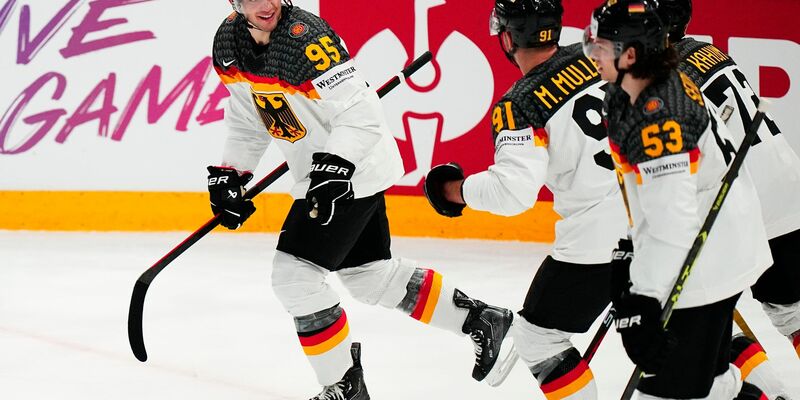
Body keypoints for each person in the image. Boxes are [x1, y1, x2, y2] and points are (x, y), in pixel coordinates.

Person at [208, 1, 514, 399]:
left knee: (295, 276)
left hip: (351, 168)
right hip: (325, 172)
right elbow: (251, 117)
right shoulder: (229, 44)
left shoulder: (308, 41)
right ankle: (478, 317)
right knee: (369, 276)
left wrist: (335, 166)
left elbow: (362, 114)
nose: (265, 5)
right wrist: (233, 171)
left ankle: (343, 385)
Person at [423, 0, 630, 397]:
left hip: (597, 241)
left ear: (507, 38)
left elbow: (511, 193)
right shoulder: (599, 56)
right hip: (663, 214)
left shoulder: (520, 103)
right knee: (693, 324)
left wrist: (453, 190)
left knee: (537, 339)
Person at [583, 0, 774, 398]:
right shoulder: (630, 89)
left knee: (670, 389)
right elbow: (647, 193)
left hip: (707, 257)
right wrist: (633, 248)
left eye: (600, 45)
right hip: (713, 241)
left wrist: (644, 296)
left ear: (630, 55)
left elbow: (673, 221)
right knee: (710, 378)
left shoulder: (661, 115)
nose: (591, 52)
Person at [660, 0, 800, 379]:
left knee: (707, 316)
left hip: (743, 199)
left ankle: (771, 391)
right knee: (792, 310)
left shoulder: (664, 77)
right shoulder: (709, 51)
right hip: (786, 185)